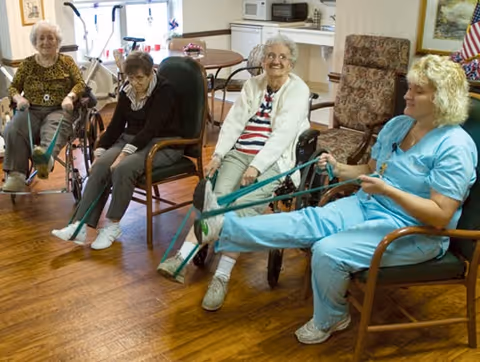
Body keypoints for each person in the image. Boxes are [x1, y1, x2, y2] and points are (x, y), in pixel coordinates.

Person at [191, 54, 477, 343]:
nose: (407, 94)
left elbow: (441, 215)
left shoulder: (455, 147)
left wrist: (389, 191)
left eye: (418, 90)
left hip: (416, 232)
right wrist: (338, 168)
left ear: (441, 99)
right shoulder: (400, 125)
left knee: (328, 251)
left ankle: (333, 317)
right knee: (306, 221)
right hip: (370, 205)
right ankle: (222, 227)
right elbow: (369, 170)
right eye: (410, 87)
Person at [157, 34, 311, 311]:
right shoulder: (253, 85)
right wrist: (218, 155)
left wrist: (257, 166)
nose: (275, 61)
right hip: (239, 152)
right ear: (263, 60)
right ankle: (180, 261)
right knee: (216, 199)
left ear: (291, 64)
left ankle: (221, 276)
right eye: (270, 56)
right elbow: (233, 123)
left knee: (240, 210)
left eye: (282, 57)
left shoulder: (298, 91)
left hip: (273, 161)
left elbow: (283, 136)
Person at [51, 51, 184, 250]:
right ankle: (80, 226)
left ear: (151, 73)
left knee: (123, 168)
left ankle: (113, 225)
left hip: (164, 143)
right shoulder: (126, 90)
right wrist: (99, 152)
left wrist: (122, 154)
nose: (135, 83)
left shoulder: (165, 91)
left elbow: (151, 129)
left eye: (140, 78)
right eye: (130, 78)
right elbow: (115, 126)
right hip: (133, 140)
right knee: (101, 166)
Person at [2, 20, 85, 191]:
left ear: (58, 42)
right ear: (34, 42)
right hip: (31, 109)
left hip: (59, 109)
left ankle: (45, 161)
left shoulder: (66, 62)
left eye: (50, 38)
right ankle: (17, 175)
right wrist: (19, 99)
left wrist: (70, 97)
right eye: (41, 38)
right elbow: (13, 87)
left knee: (53, 128)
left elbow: (80, 84)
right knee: (13, 128)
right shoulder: (27, 64)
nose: (46, 42)